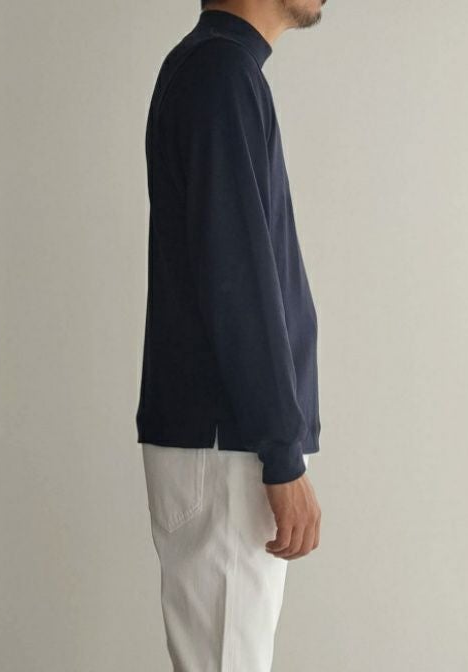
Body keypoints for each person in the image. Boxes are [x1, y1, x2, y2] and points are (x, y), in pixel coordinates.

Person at [136, 1, 325, 670]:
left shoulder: (219, 69)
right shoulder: (220, 74)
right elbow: (237, 279)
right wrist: (282, 452)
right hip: (229, 447)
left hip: (225, 442)